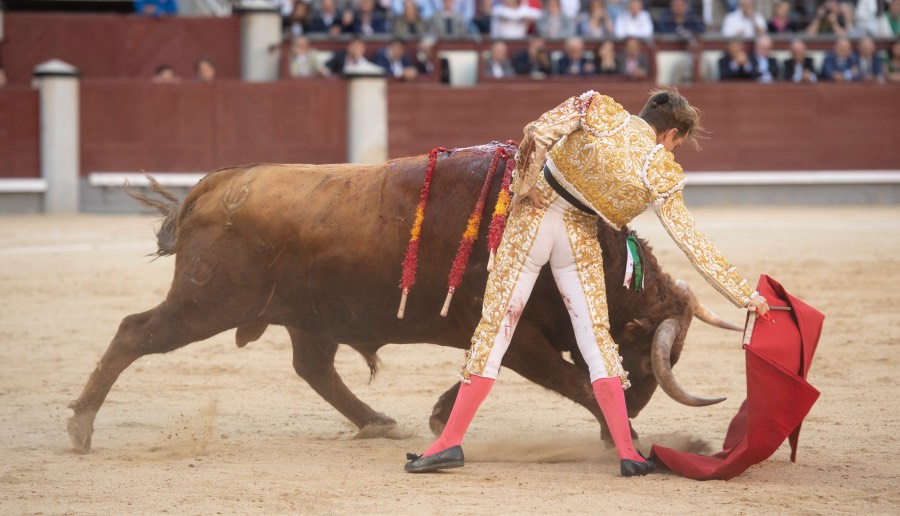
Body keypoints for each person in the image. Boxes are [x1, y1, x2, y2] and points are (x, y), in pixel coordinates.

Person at [403, 87, 770, 476]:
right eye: (676, 144)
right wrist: (745, 296)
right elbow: (692, 241)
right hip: (579, 237)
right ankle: (628, 453)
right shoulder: (660, 169)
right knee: (597, 341)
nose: (672, 151)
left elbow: (536, 131)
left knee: (497, 328)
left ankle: (448, 443)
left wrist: (525, 184)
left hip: (535, 220)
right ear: (670, 135)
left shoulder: (598, 106)